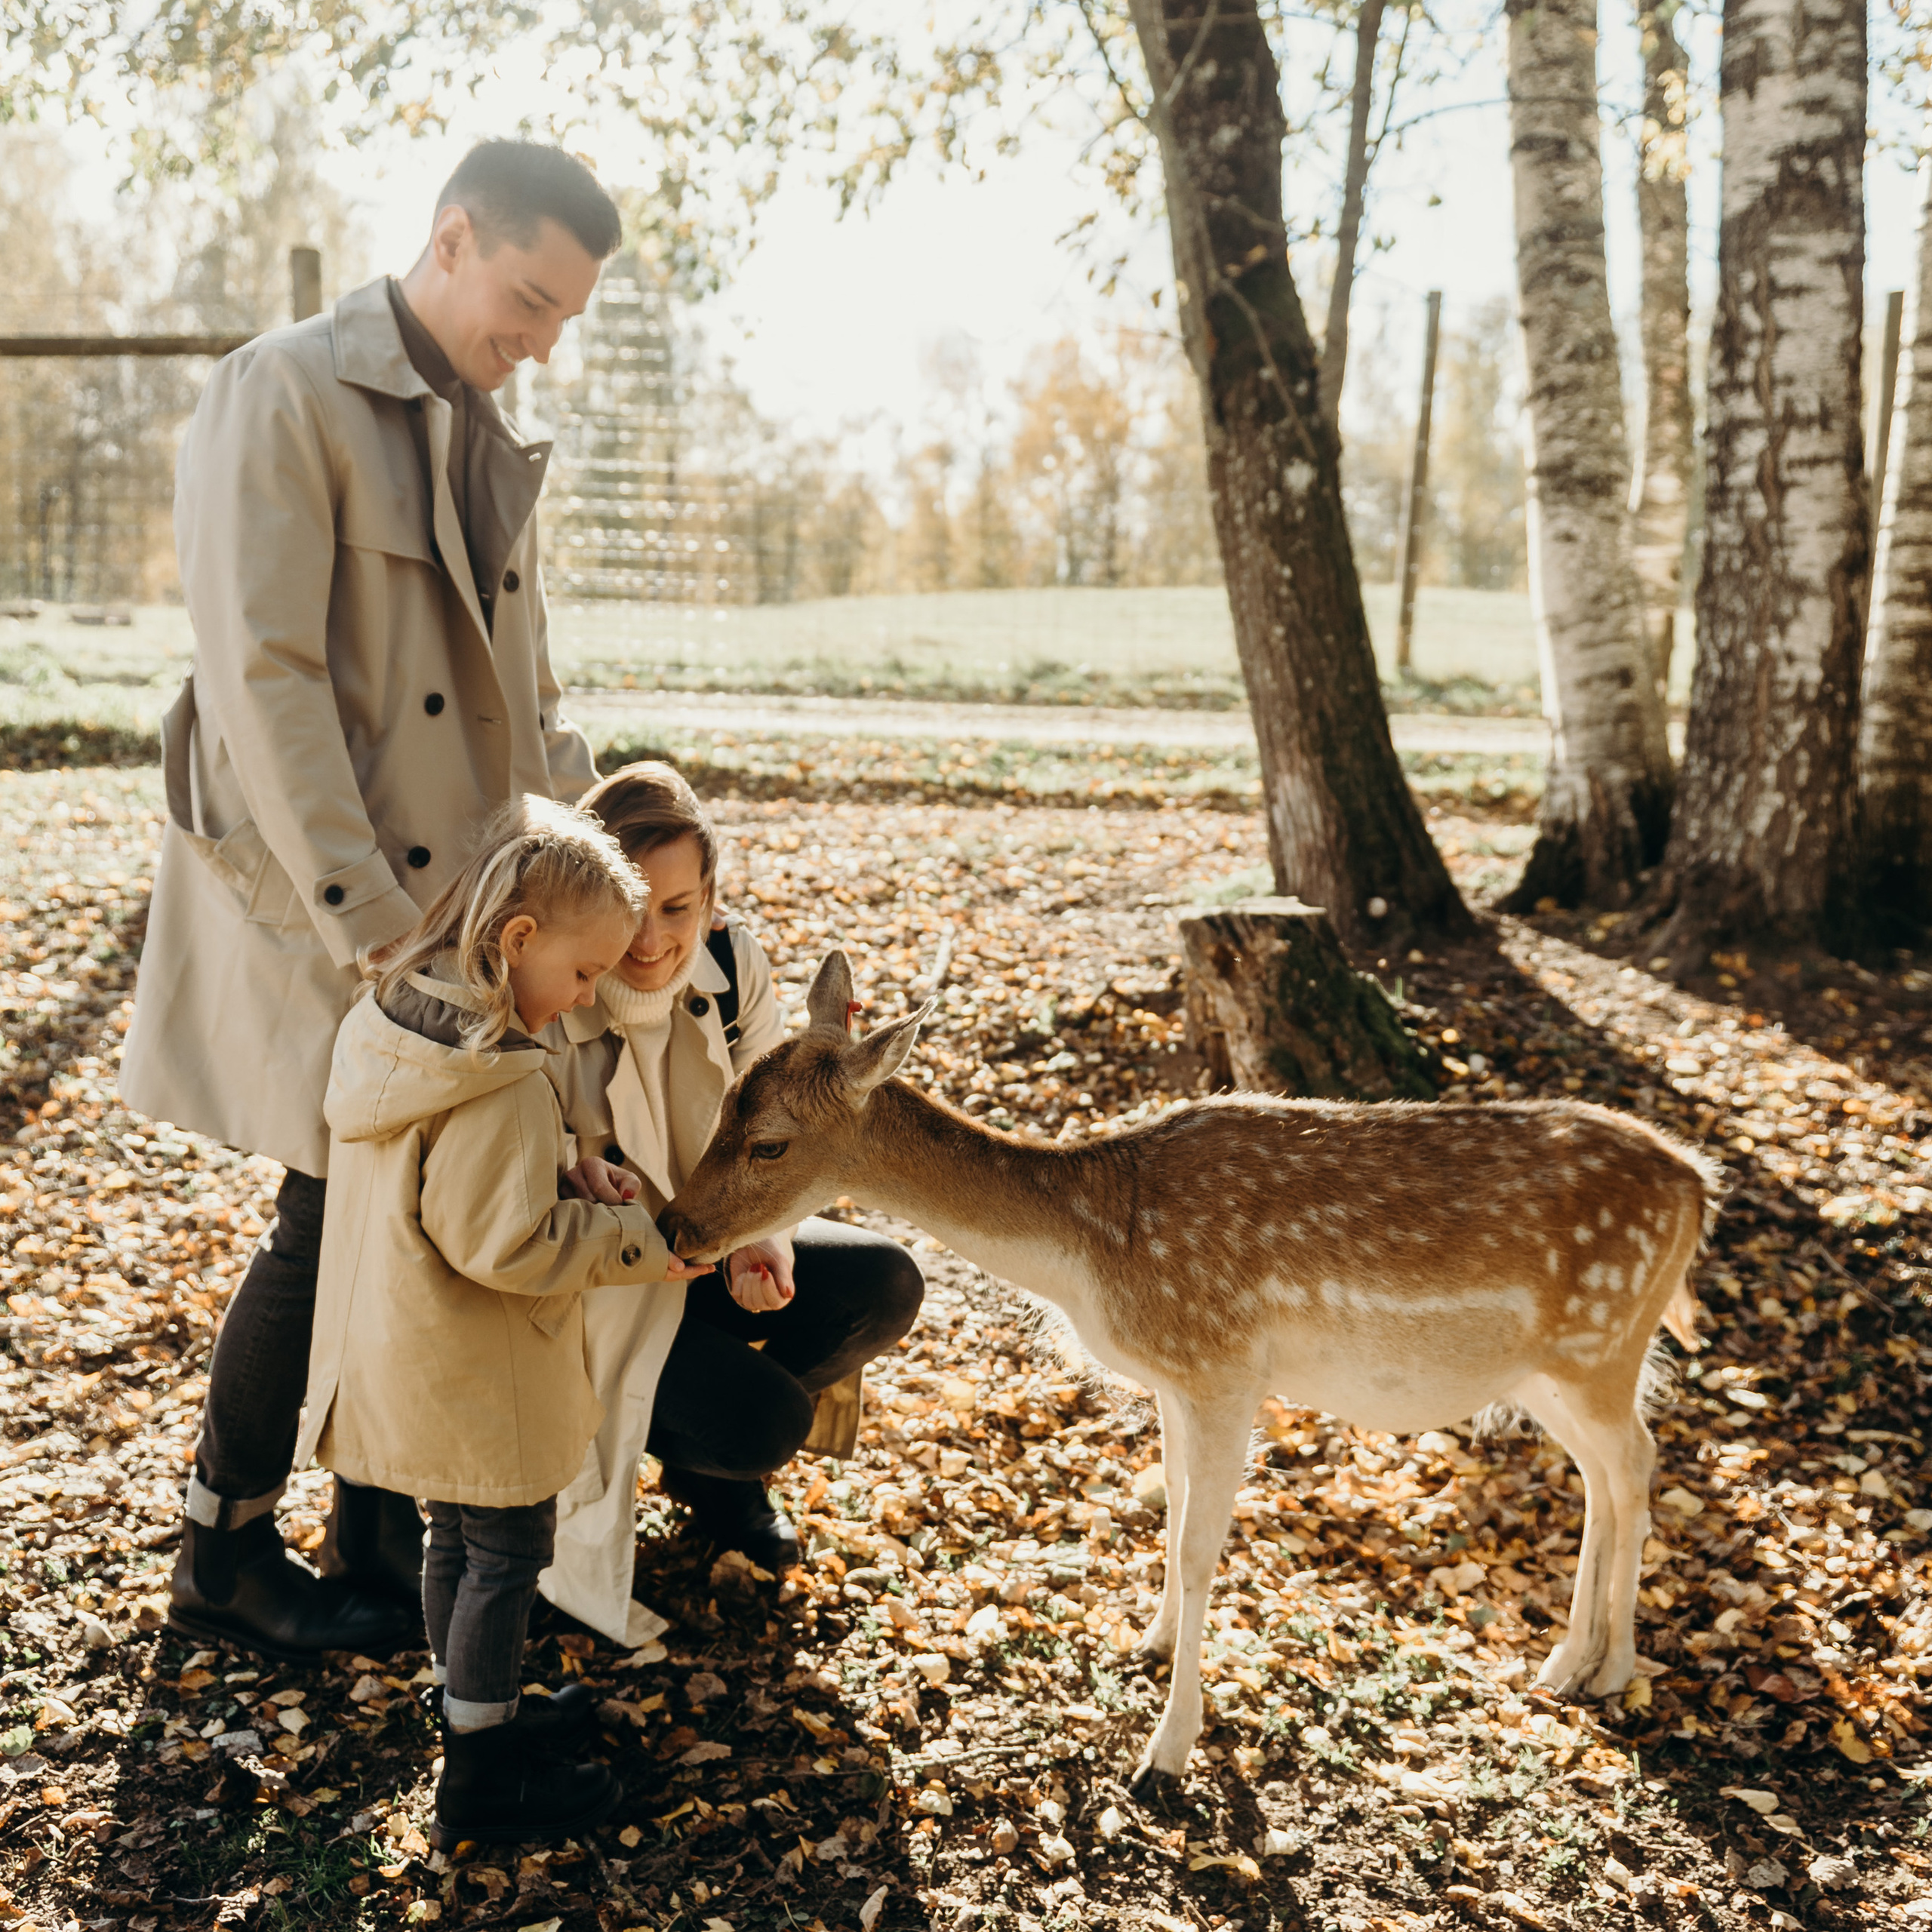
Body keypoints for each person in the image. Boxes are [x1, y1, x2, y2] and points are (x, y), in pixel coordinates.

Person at [119, 140, 623, 1662]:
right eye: (526, 299)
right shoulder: (276, 391)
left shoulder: (474, 422)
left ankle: (378, 1519)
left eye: (562, 320)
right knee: (325, 1202)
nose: (538, 341)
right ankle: (220, 1544)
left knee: (408, 1208)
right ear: (451, 237)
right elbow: (263, 681)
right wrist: (369, 929)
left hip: (470, 913)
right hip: (333, 904)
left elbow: (517, 700)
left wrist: (595, 863)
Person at [297, 794, 711, 1848]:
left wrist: (568, 1162)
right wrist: (633, 1244)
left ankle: (476, 1707)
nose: (583, 999)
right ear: (519, 939)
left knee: (458, 1539)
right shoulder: (501, 1080)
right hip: (486, 1371)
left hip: (416, 1349)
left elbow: (458, 1184)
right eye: (580, 975)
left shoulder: (404, 1022)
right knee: (505, 1552)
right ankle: (483, 1774)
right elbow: (503, 1243)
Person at [539, 762, 926, 1646]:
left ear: (711, 900)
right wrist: (593, 1196)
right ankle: (700, 1449)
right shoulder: (551, 980)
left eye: (678, 907)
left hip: (704, 1240)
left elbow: (776, 1136)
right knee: (765, 1423)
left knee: (885, 1283)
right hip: (591, 1283)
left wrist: (767, 1239)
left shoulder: (727, 962)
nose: (650, 937)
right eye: (629, 904)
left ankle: (701, 1459)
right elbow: (511, 1157)